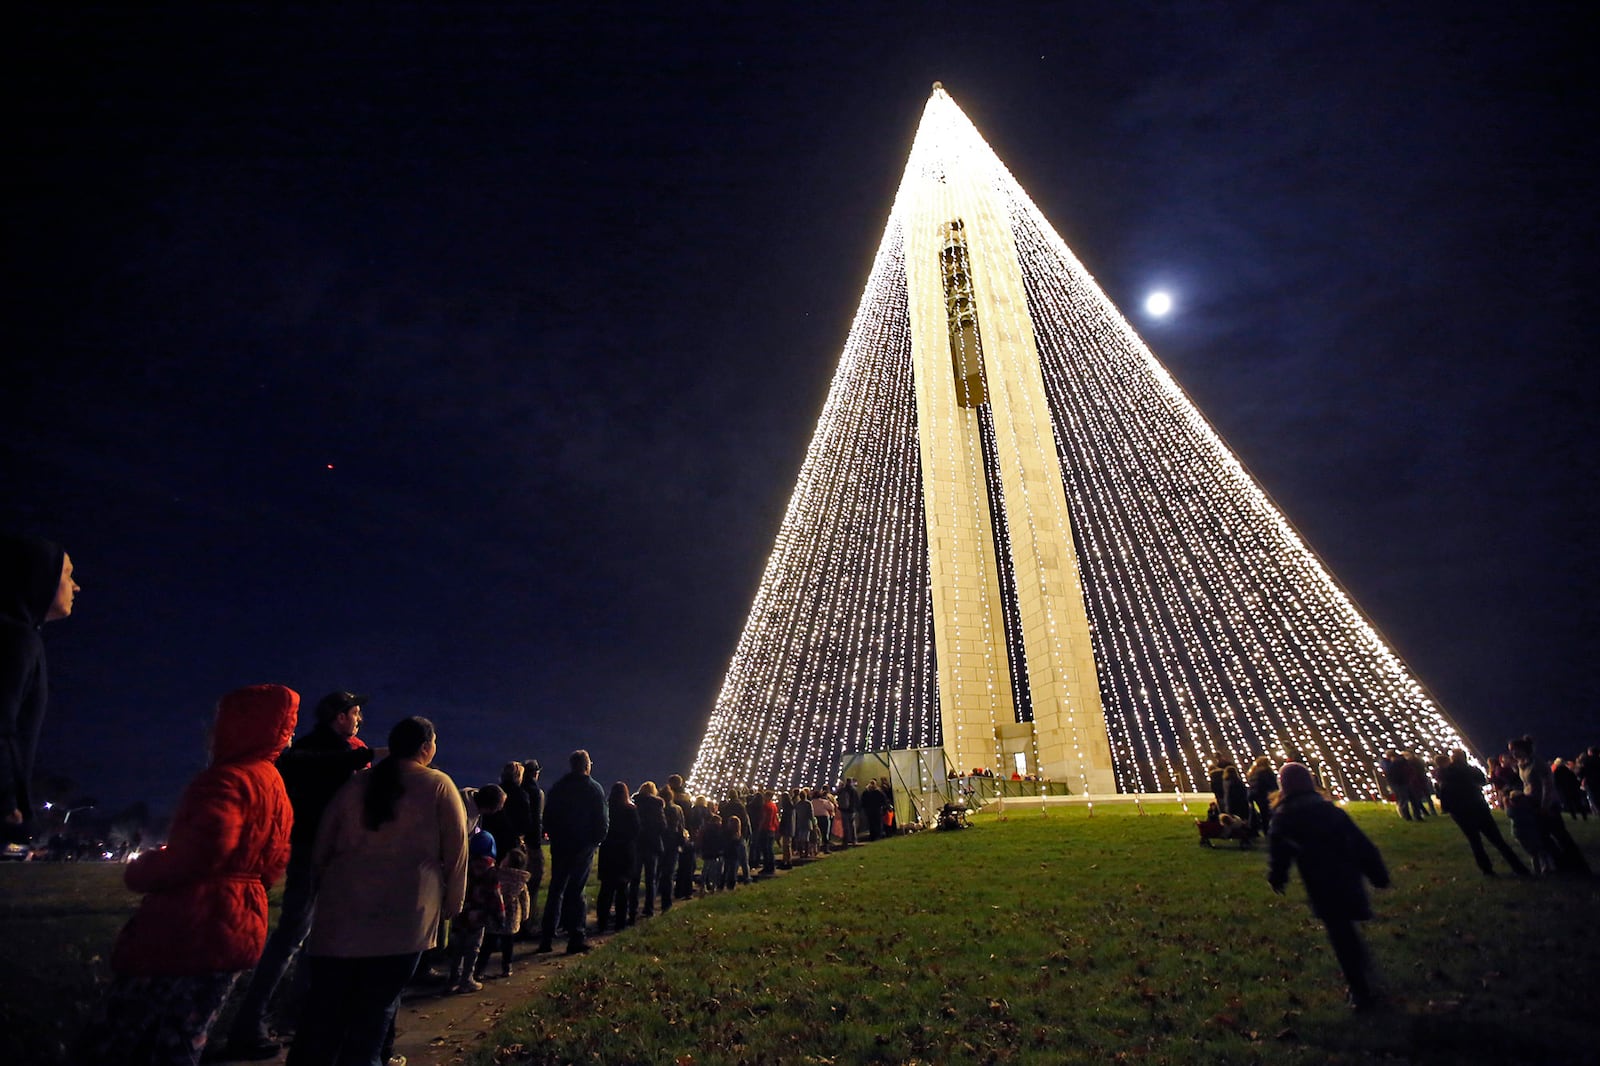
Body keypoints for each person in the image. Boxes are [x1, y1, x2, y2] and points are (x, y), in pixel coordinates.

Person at [78, 684, 297, 1066]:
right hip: (242, 920)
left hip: (191, 926)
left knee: (132, 1037)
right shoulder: (275, 784)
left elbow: (202, 851)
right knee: (187, 1035)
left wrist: (142, 870)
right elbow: (276, 860)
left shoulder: (225, 780)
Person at [286, 716, 468, 1066]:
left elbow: (323, 845)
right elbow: (457, 851)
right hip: (404, 916)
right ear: (426, 748)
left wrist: (320, 889)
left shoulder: (356, 785)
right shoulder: (438, 785)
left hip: (341, 913)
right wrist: (453, 900)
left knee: (324, 1014)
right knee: (374, 1011)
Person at [222, 690, 376, 1061]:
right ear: (339, 716)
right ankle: (250, 1021)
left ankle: (294, 1013)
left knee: (317, 937)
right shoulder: (317, 752)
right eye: (355, 713)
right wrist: (364, 757)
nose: (359, 720)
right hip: (311, 853)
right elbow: (307, 763)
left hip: (330, 854)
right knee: (293, 934)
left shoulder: (340, 750)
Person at [1267, 762, 1391, 1011]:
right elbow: (1361, 843)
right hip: (1347, 875)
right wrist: (1377, 873)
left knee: (1340, 931)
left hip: (1320, 880)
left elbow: (1280, 851)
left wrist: (1278, 877)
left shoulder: (1284, 816)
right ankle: (1363, 974)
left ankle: (1360, 988)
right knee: (1346, 927)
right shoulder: (1331, 811)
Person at [0, 534, 79, 841]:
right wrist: (5, 799)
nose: (75, 586)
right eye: (67, 575)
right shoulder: (16, 639)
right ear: (36, 577)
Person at [536, 750, 608, 955]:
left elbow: (547, 815)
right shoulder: (593, 789)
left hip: (561, 844)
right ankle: (576, 935)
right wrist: (595, 841)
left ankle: (546, 937)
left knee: (556, 889)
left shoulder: (558, 788)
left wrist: (553, 834)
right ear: (587, 765)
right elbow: (602, 820)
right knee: (577, 890)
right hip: (582, 845)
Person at [1433, 749, 1529, 877]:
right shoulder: (1470, 770)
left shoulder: (1444, 773)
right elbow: (1482, 781)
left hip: (1460, 812)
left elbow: (1442, 790)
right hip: (1478, 807)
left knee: (1475, 841)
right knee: (1497, 840)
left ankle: (1487, 870)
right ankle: (1519, 867)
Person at [596, 781, 639, 931]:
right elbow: (636, 830)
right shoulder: (631, 810)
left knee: (606, 889)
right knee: (622, 889)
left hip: (608, 851)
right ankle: (620, 922)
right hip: (625, 852)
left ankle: (602, 921)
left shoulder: (607, 808)